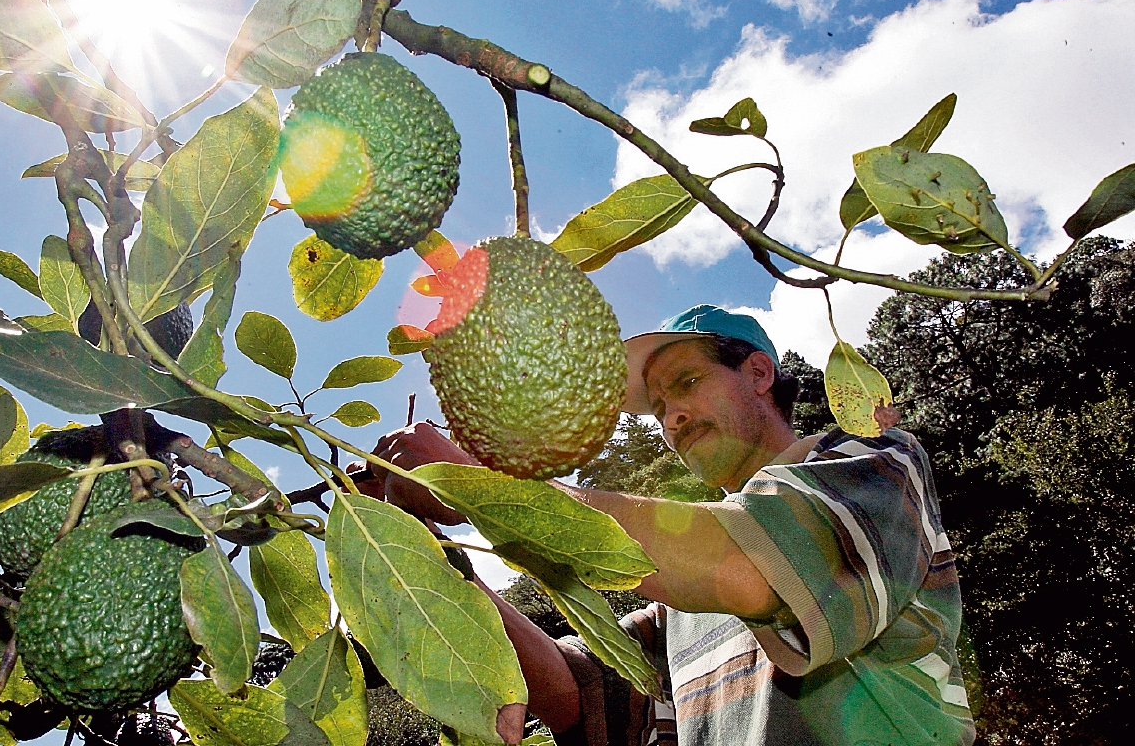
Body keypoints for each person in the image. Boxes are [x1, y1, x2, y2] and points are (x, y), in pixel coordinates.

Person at [372, 304, 976, 746]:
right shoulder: (678, 601)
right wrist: (418, 547)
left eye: (687, 383)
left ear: (759, 373)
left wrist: (482, 489)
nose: (673, 415)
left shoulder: (873, 463)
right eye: (659, 406)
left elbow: (754, 569)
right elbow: (575, 692)